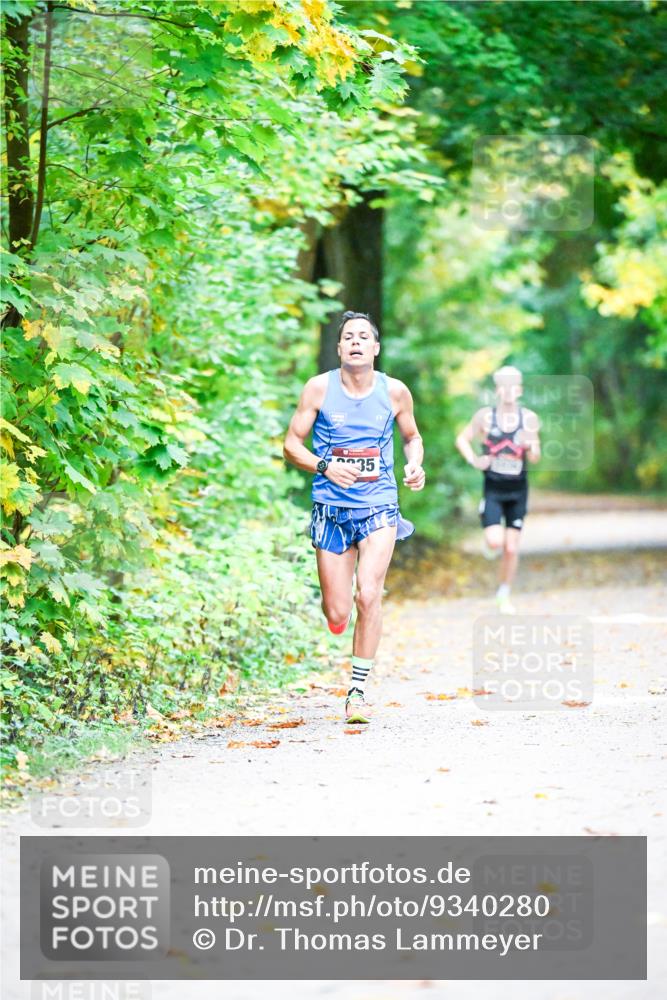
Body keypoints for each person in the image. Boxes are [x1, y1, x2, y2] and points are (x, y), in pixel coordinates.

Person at [283, 311, 425, 723]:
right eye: (349, 337)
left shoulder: (395, 391)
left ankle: (357, 693)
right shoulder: (319, 389)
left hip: (379, 505)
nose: (356, 342)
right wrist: (325, 466)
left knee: (369, 593)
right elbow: (291, 444)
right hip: (330, 508)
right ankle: (338, 617)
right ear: (339, 347)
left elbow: (412, 437)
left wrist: (415, 464)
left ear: (375, 348)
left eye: (364, 336)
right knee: (338, 612)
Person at [455, 365, 540, 614]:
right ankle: (492, 542)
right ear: (498, 390)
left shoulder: (529, 418)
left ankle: (504, 593)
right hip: (493, 489)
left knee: (511, 547)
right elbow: (462, 439)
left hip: (518, 491)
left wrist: (530, 446)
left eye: (513, 386)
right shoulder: (485, 417)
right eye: (504, 386)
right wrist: (474, 459)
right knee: (495, 543)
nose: (509, 391)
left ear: (520, 390)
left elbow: (535, 457)